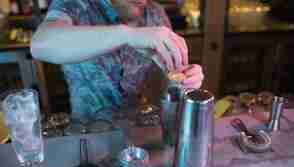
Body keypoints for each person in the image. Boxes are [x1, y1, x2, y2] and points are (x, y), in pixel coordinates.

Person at [31, 0, 204, 121]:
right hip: (87, 130)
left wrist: (182, 80)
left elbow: (164, 83)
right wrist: (127, 34)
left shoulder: (156, 13)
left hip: (140, 128)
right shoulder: (77, 4)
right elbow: (40, 45)